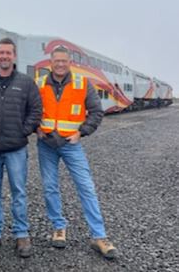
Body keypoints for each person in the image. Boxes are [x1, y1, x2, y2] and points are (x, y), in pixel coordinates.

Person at [35, 45, 117, 259]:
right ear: (50, 62)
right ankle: (58, 227)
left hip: (71, 144)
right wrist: (35, 128)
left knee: (86, 187)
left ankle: (99, 236)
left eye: (64, 61)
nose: (60, 64)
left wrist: (82, 133)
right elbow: (30, 110)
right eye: (56, 61)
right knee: (50, 187)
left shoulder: (82, 84)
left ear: (69, 62)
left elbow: (97, 112)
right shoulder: (39, 84)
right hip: (46, 144)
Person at [0, 38, 42, 258]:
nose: (4, 56)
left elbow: (36, 109)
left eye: (8, 53)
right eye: (1, 52)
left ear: (14, 56)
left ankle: (21, 234)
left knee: (18, 192)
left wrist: (24, 130)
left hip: (16, 148)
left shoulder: (26, 82)